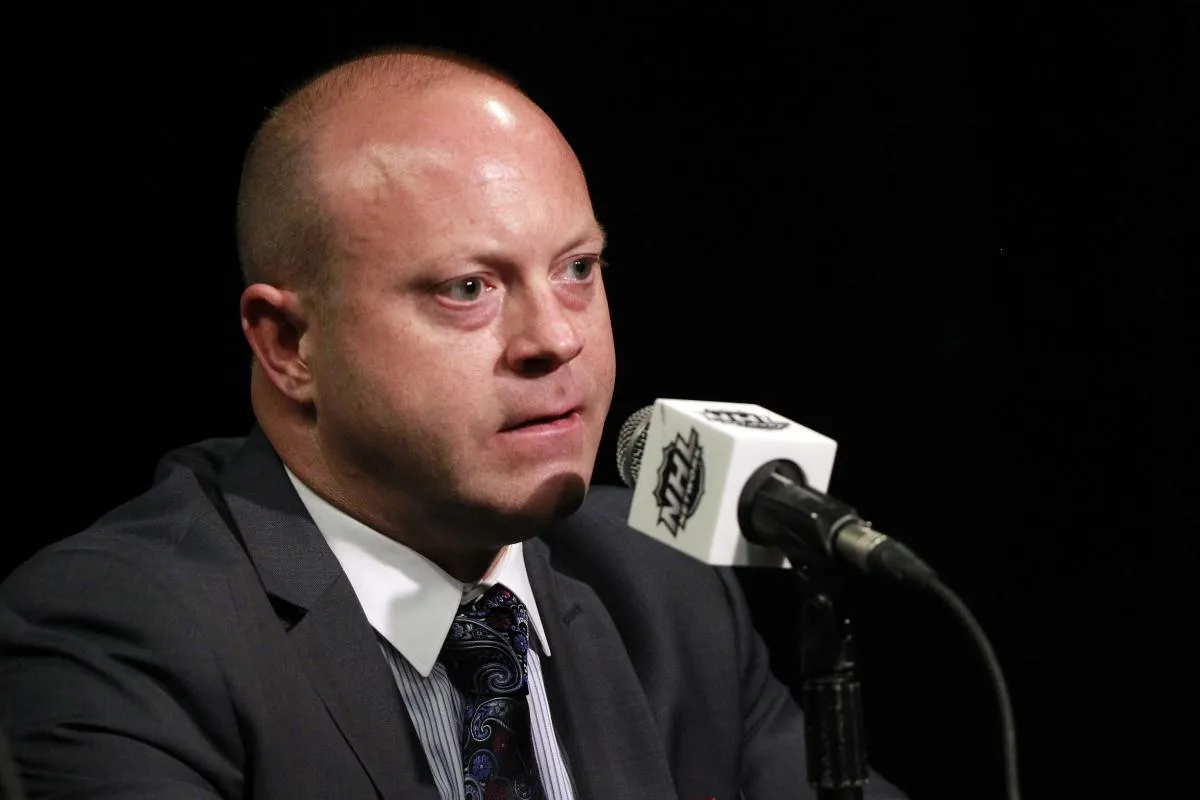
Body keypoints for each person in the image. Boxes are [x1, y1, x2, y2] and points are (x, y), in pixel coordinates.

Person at [0, 47, 907, 799]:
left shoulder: (662, 592)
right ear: (288, 344)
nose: (555, 340)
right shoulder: (126, 627)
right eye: (467, 289)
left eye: (578, 269)